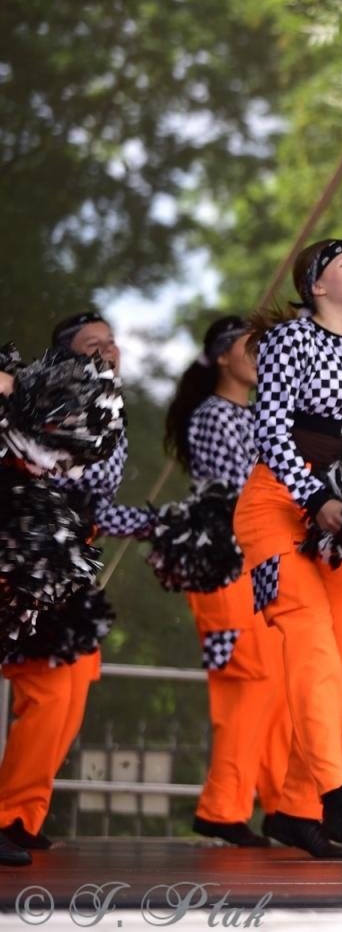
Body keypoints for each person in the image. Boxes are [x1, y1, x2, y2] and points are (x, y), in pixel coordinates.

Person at [235, 239, 342, 859]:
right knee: (309, 646)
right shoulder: (290, 341)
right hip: (276, 503)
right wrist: (313, 498)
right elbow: (271, 430)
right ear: (315, 286)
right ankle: (335, 794)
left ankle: (293, 809)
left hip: (335, 513)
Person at [0, 312, 152, 864]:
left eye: (112, 342)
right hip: (30, 550)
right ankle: (9, 816)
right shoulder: (52, 403)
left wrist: (159, 525)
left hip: (69, 558)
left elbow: (98, 507)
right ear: (63, 361)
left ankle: (22, 817)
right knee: (46, 690)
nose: (109, 350)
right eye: (93, 345)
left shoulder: (108, 413)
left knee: (70, 691)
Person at [163, 315, 291, 848]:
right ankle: (223, 806)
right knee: (247, 681)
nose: (260, 355)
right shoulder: (214, 416)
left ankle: (281, 804)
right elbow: (238, 494)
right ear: (222, 358)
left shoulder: (259, 412)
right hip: (224, 564)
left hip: (255, 563)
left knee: (274, 684)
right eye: (249, 347)